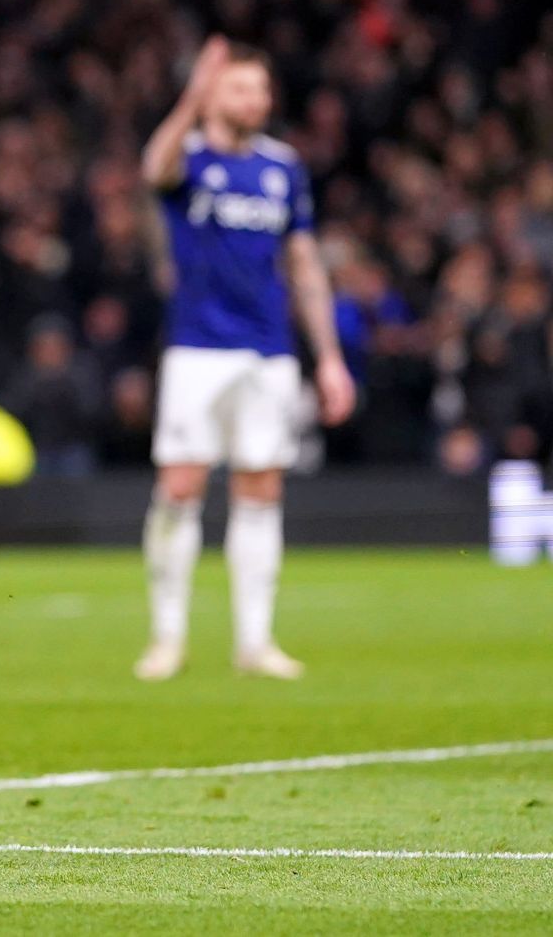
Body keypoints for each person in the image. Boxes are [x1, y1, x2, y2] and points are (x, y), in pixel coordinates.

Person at [138, 36, 357, 681]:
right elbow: (153, 170)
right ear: (212, 95)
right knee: (180, 487)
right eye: (240, 88)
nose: (256, 99)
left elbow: (304, 264)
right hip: (198, 348)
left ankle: (255, 642)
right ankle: (167, 637)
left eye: (260, 89)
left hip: (269, 351)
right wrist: (188, 101)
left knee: (261, 489)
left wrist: (330, 358)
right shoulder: (190, 158)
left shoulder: (282, 167)